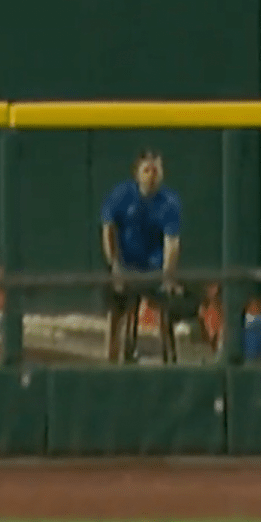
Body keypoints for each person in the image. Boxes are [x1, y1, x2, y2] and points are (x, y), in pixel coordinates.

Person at [100, 150, 182, 363]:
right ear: (137, 174)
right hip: (126, 265)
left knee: (168, 302)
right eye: (147, 170)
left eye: (156, 170)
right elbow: (108, 228)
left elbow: (172, 243)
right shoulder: (122, 194)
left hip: (154, 269)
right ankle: (110, 360)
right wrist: (115, 266)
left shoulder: (170, 202)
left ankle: (170, 359)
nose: (152, 175)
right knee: (116, 305)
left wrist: (167, 276)